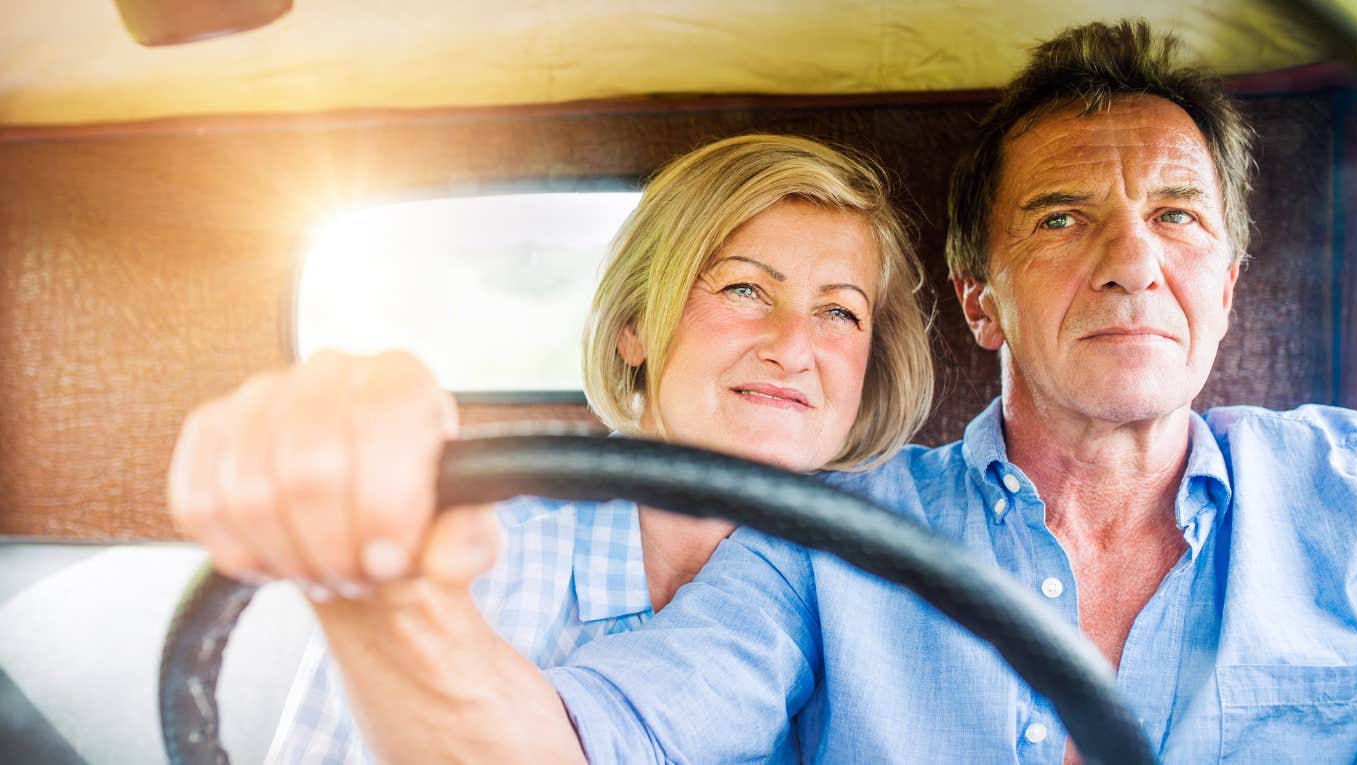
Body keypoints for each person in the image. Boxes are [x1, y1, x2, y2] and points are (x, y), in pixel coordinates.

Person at [172, 19, 1357, 765]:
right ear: (978, 300)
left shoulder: (1341, 487)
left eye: (1177, 219)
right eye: (1062, 217)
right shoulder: (824, 551)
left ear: (1227, 280)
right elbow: (589, 746)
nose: (1131, 261)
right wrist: (386, 588)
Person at [168, 133, 936, 763]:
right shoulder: (478, 559)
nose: (793, 346)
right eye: (743, 290)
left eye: (839, 312)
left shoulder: (878, 594)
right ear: (636, 326)